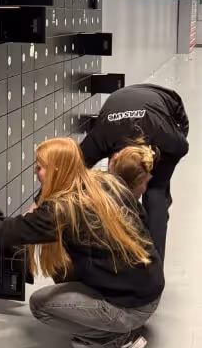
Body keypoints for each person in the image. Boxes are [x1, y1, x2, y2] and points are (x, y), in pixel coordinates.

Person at [0, 137, 164, 348]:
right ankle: (107, 326)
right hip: (147, 287)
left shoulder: (61, 210)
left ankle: (117, 340)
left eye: (40, 167)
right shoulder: (105, 181)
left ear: (56, 170)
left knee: (41, 305)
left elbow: (6, 231)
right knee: (61, 268)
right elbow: (141, 219)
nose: (35, 172)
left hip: (132, 306)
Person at [80, 83, 189, 259]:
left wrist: (159, 175)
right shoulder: (100, 138)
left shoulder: (169, 140)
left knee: (156, 196)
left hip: (168, 105)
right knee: (113, 195)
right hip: (119, 101)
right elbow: (69, 170)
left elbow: (182, 145)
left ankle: (153, 265)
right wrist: (39, 201)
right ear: (111, 162)